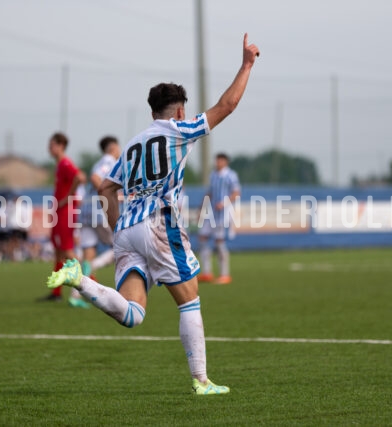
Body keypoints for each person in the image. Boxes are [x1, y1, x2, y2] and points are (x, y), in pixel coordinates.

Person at [48, 33, 259, 394]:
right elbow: (226, 105)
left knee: (133, 313)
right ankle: (201, 380)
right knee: (189, 298)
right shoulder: (179, 131)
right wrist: (247, 65)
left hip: (127, 230)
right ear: (179, 112)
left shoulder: (130, 145)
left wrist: (119, 228)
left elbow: (105, 189)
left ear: (151, 112)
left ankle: (79, 279)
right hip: (160, 226)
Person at [68, 136, 122, 308]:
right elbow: (95, 177)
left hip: (86, 212)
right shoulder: (109, 160)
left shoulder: (102, 161)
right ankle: (95, 266)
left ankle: (75, 295)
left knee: (87, 255)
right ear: (113, 148)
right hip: (99, 211)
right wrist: (107, 194)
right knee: (123, 245)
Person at [37, 132, 86, 302]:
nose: (49, 148)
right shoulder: (59, 165)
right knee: (58, 252)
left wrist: (68, 197)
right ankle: (56, 293)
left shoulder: (65, 163)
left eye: (51, 145)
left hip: (66, 213)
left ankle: (89, 284)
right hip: (59, 212)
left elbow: (80, 177)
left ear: (60, 146)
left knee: (67, 251)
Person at [197, 153, 241, 285]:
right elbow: (209, 192)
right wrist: (202, 207)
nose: (218, 162)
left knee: (219, 241)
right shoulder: (213, 175)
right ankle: (207, 272)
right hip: (212, 213)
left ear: (226, 162)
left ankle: (225, 274)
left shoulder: (231, 175)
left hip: (224, 213)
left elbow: (236, 193)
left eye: (220, 160)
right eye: (217, 160)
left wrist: (224, 203)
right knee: (202, 238)